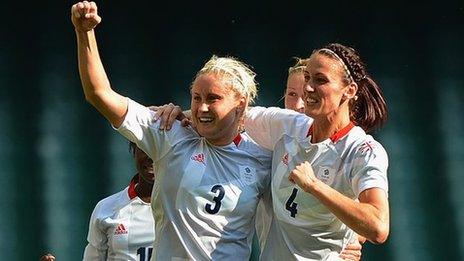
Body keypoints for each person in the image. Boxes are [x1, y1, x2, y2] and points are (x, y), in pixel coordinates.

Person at [71, 2, 272, 260]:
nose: (202, 108)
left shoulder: (262, 158)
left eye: (213, 98)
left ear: (240, 103)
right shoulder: (169, 132)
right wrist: (84, 32)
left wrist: (343, 244)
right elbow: (99, 94)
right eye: (196, 98)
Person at [243, 43, 390, 260]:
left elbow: (378, 227)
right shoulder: (287, 125)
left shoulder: (363, 151)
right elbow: (227, 115)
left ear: (349, 91)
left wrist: (314, 186)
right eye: (307, 78)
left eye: (320, 80)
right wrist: (178, 117)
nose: (308, 88)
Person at [82, 142, 155, 261]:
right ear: (134, 151)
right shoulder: (106, 208)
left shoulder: (189, 206)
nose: (151, 156)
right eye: (144, 147)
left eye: (158, 147)